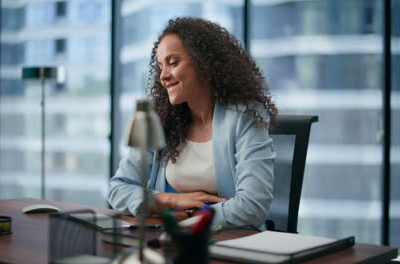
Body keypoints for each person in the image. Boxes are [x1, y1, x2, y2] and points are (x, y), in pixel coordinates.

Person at [108, 17, 277, 228]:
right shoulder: (163, 120)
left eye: (173, 63)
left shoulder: (245, 117)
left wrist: (186, 216)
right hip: (169, 241)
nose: (163, 76)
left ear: (204, 63)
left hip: (231, 243)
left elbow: (252, 207)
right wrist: (168, 201)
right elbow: (118, 189)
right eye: (160, 66)